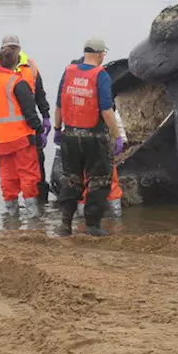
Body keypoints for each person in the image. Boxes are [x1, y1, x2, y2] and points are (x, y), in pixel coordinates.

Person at [52, 37, 124, 237]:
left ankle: (65, 225)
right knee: (99, 180)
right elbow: (106, 110)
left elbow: (59, 105)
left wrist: (58, 129)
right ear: (101, 55)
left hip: (70, 136)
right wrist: (117, 136)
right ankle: (92, 225)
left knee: (71, 180)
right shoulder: (100, 75)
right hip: (94, 137)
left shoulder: (68, 72)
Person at [0, 34, 52, 203]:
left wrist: (46, 115)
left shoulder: (29, 67)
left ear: (19, 48)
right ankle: (34, 214)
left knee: (14, 174)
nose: (11, 49)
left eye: (13, 46)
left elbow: (39, 94)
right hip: (23, 133)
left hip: (6, 136)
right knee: (27, 173)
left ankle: (15, 215)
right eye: (9, 47)